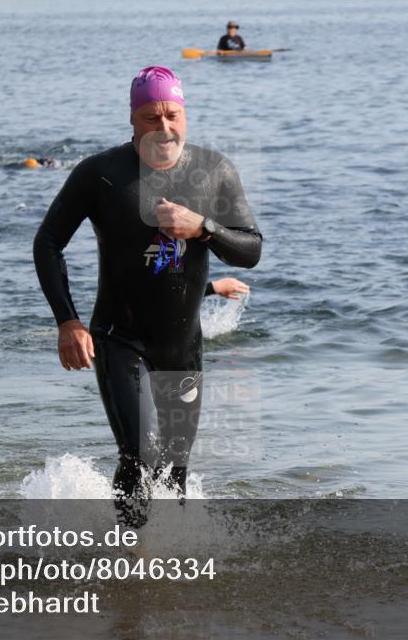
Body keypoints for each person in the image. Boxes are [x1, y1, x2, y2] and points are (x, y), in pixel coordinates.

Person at [34, 66, 262, 527]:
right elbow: (48, 241)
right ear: (132, 120)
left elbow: (250, 250)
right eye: (151, 117)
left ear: (185, 115)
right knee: (141, 452)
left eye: (172, 115)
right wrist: (68, 321)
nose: (163, 127)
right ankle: (131, 551)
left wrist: (203, 227)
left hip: (182, 346)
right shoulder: (100, 174)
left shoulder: (214, 170)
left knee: (173, 468)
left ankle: (169, 555)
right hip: (120, 338)